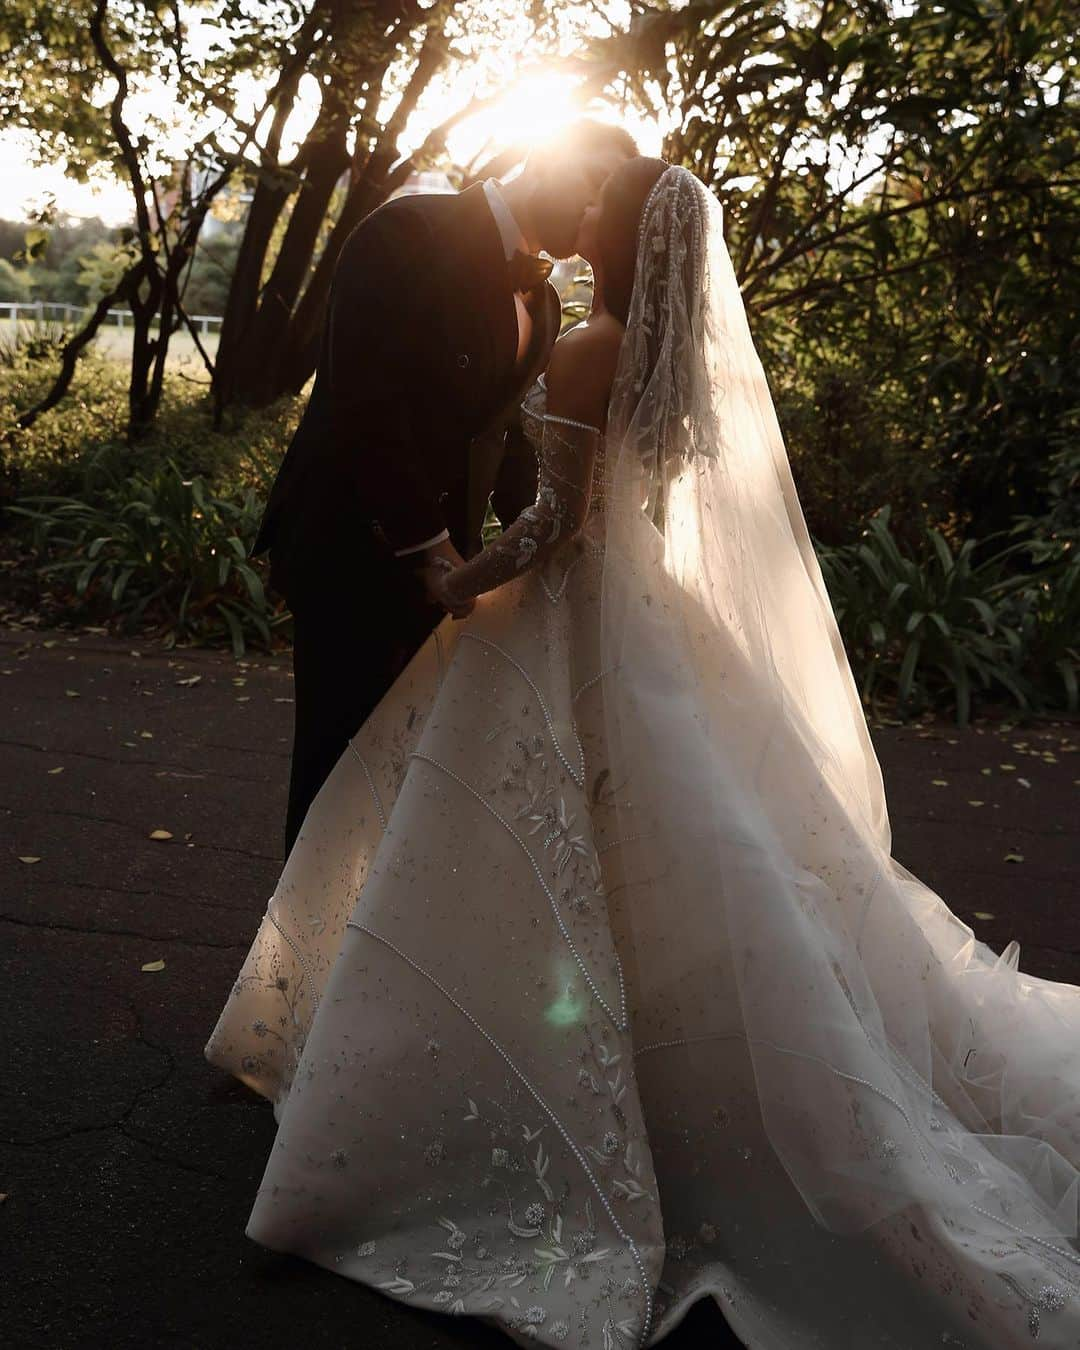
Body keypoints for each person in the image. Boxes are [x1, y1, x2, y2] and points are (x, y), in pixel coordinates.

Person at [207, 159, 1080, 1348]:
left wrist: (460, 575)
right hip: (645, 612)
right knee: (656, 841)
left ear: (608, 233)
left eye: (593, 215)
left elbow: (554, 513)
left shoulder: (580, 337)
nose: (571, 225)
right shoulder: (664, 362)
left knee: (492, 828)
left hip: (561, 605)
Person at [250, 119, 638, 855]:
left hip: (450, 576)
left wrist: (543, 545)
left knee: (407, 782)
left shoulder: (549, 303)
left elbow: (508, 450)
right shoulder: (403, 233)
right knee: (335, 775)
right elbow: (364, 405)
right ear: (542, 150)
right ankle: (300, 966)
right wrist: (427, 549)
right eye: (588, 179)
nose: (593, 208)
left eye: (606, 198)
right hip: (353, 549)